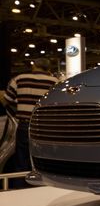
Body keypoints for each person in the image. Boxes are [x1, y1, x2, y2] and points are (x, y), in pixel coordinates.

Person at [0, 58, 59, 188]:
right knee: (44, 159)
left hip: (25, 125)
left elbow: (6, 101)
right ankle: (42, 187)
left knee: (21, 159)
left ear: (34, 66)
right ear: (48, 68)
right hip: (46, 127)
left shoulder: (19, 79)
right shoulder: (55, 82)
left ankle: (19, 187)